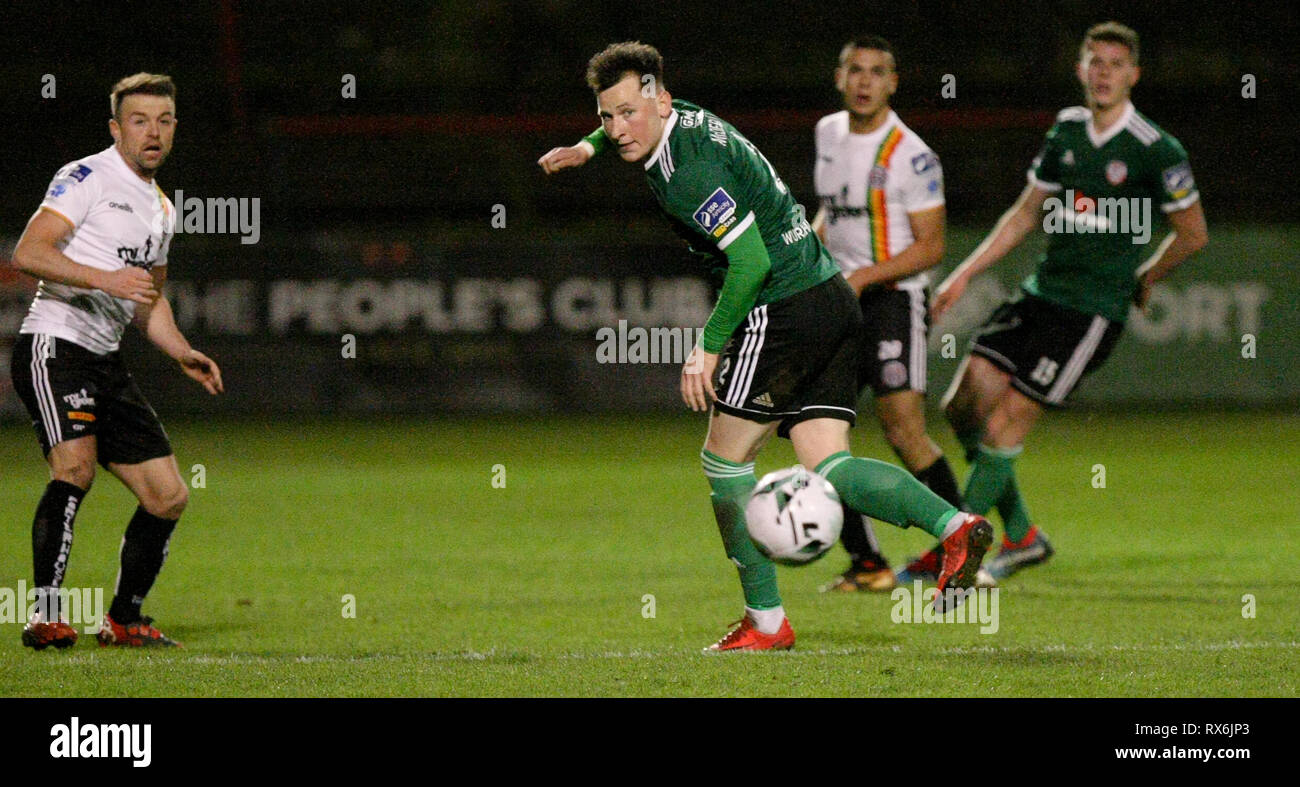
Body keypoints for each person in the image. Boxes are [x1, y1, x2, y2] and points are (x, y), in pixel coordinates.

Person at [539, 42, 991, 651]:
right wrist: (584, 148)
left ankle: (767, 620)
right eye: (606, 117)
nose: (618, 129)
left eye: (628, 114)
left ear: (659, 101)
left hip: (784, 307)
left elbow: (748, 264)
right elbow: (624, 121)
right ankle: (954, 526)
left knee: (723, 462)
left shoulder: (685, 173)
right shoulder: (679, 116)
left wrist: (709, 346)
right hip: (831, 295)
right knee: (828, 463)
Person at [916, 22, 1207, 581]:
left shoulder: (1156, 149)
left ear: (1134, 75)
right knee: (962, 405)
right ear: (1080, 69)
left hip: (1090, 313)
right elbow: (1027, 212)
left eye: (1116, 64)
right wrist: (964, 275)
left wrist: (1148, 273)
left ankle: (957, 553)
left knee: (1004, 427)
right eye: (1094, 61)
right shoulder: (1067, 131)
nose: (1104, 73)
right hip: (1041, 296)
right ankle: (1021, 536)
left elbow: (1192, 233)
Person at [11, 73, 224, 650]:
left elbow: (146, 301)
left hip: (104, 360)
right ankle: (45, 615)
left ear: (174, 129)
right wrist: (105, 278)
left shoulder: (160, 208)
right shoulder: (85, 177)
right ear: (116, 128)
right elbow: (29, 253)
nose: (152, 131)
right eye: (139, 120)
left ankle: (124, 619)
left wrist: (181, 350)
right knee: (74, 469)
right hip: (54, 346)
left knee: (168, 494)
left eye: (163, 120)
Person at [810, 36, 966, 593]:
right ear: (839, 77)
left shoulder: (911, 154)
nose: (865, 81)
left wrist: (860, 277)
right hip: (840, 300)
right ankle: (869, 564)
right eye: (855, 70)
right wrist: (808, 251)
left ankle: (964, 545)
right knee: (817, 428)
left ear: (893, 83)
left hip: (894, 301)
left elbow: (931, 247)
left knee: (903, 432)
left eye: (877, 72)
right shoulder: (827, 133)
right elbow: (833, 209)